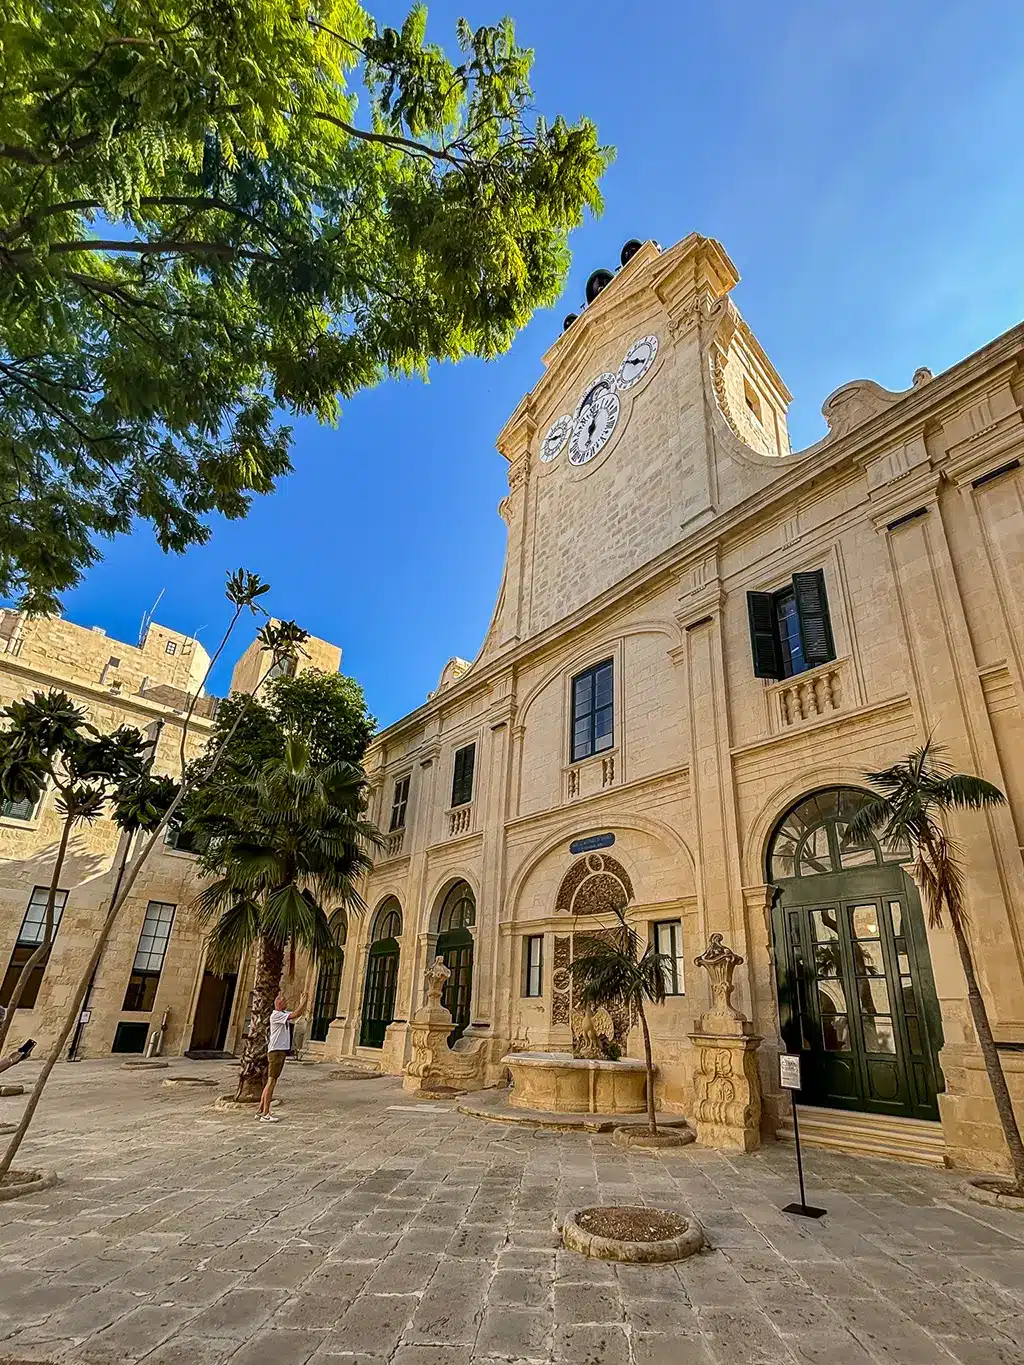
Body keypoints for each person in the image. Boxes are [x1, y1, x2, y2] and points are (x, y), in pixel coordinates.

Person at [257, 992, 305, 1123]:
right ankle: (266, 1113)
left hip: (279, 1051)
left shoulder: (282, 1014)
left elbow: (295, 1014)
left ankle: (260, 1110)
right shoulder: (276, 1015)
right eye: (285, 1002)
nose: (287, 1004)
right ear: (279, 1003)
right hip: (276, 1052)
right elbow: (295, 1014)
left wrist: (301, 1004)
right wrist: (303, 1002)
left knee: (269, 1082)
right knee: (271, 1082)